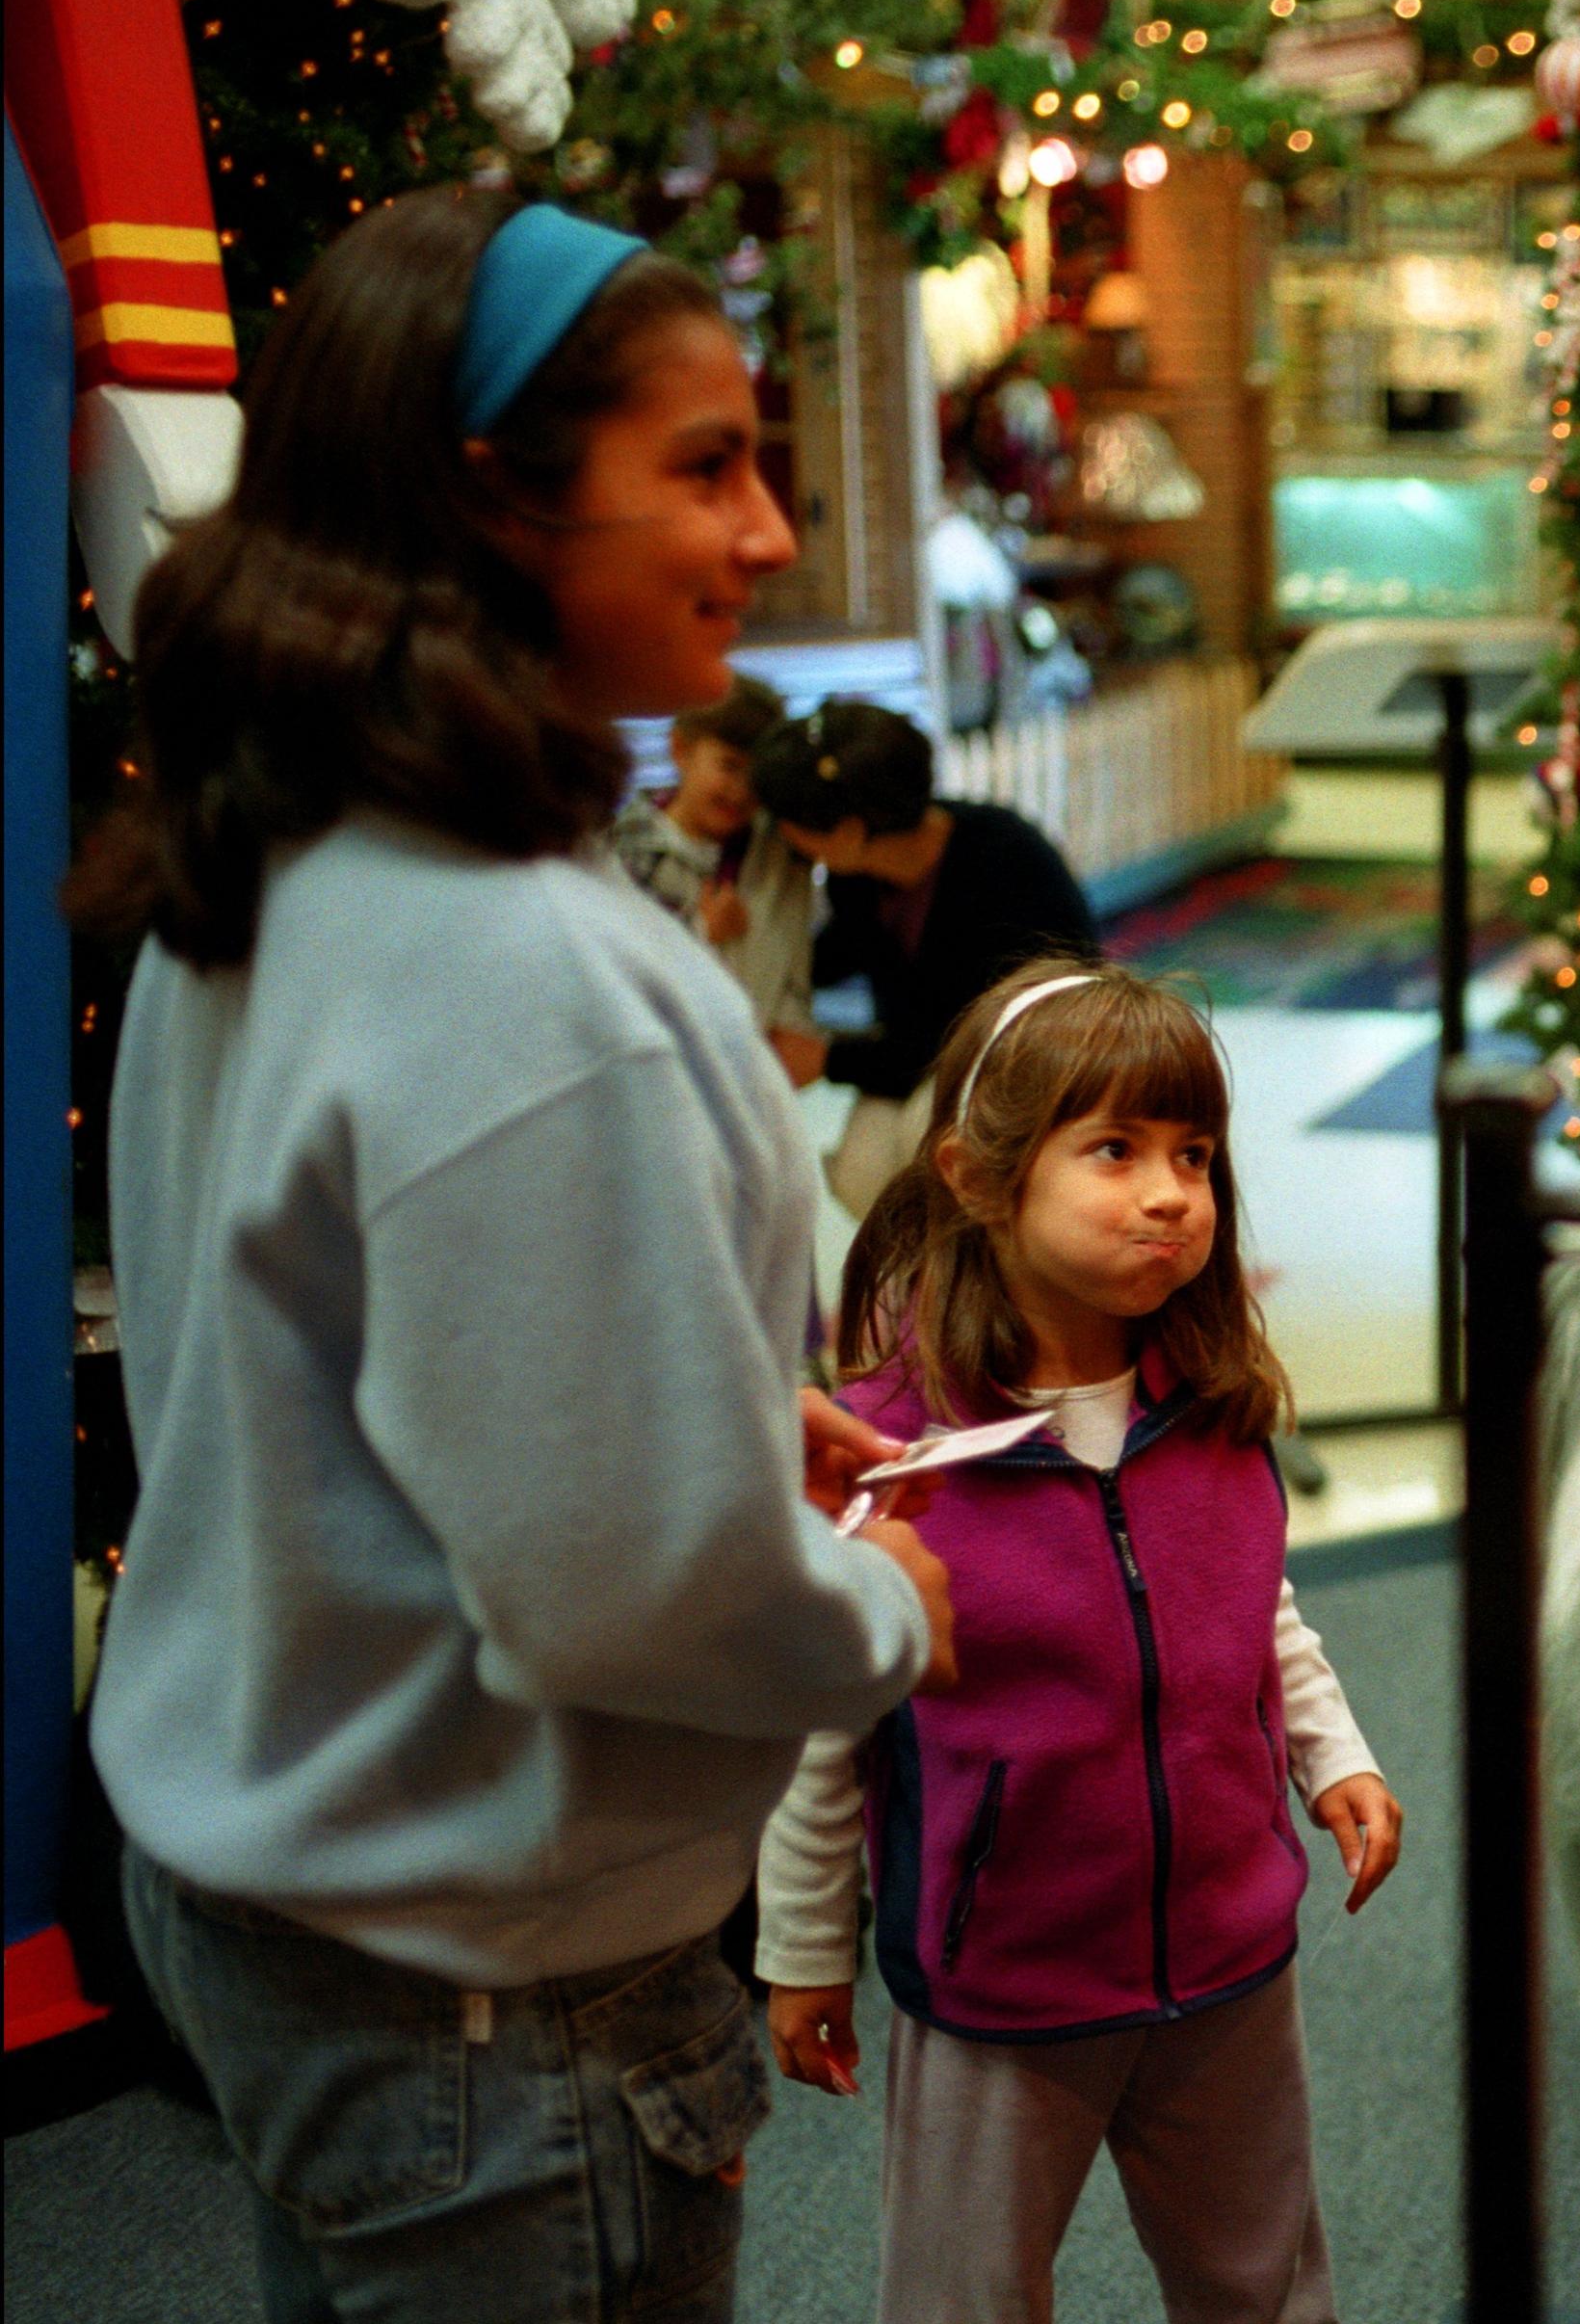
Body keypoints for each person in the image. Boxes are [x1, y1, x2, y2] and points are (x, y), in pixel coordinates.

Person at [66, 191, 962, 2322]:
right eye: (704, 465)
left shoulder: (276, 850)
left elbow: (361, 1360)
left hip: (286, 1903)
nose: (766, 535)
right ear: (491, 495)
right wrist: (869, 1605)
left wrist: (717, 1411)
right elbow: (626, 1586)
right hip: (498, 1999)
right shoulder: (534, 975)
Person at [753, 961, 1404, 2324]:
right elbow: (824, 1732)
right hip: (1006, 1982)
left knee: (1267, 2285)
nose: (1171, 1193)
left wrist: (1330, 1755)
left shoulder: (1209, 1403)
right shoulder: (886, 1451)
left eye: (1194, 1155)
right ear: (982, 1179)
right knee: (966, 2299)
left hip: (1228, 1956)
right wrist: (805, 1946)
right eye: (1113, 1151)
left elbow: (1256, 1610)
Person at [747, 699, 1099, 1220]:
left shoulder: (1004, 864)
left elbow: (963, 1039)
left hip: (1031, 1059)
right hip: (925, 1056)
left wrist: (825, 1059)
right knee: (862, 1175)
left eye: (789, 820)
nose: (780, 833)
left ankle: (994, 1289)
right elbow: (845, 949)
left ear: (847, 832)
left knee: (935, 1147)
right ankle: (927, 1290)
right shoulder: (859, 873)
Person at [610, 673, 830, 1085]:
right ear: (681, 750)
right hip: (671, 1075)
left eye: (757, 775)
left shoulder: (782, 845)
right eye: (728, 766)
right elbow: (617, 970)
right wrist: (700, 930)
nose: (741, 791)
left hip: (766, 1070)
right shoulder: (623, 853)